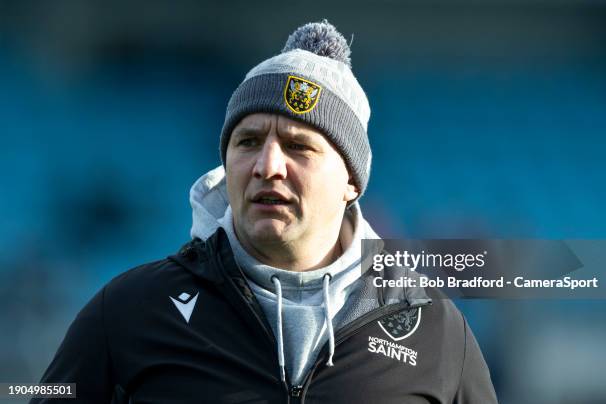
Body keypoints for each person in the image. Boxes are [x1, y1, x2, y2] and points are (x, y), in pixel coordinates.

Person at [33, 21, 498, 403]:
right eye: (249, 141)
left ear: (351, 181)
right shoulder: (130, 310)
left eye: (299, 146)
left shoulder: (435, 329)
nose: (268, 166)